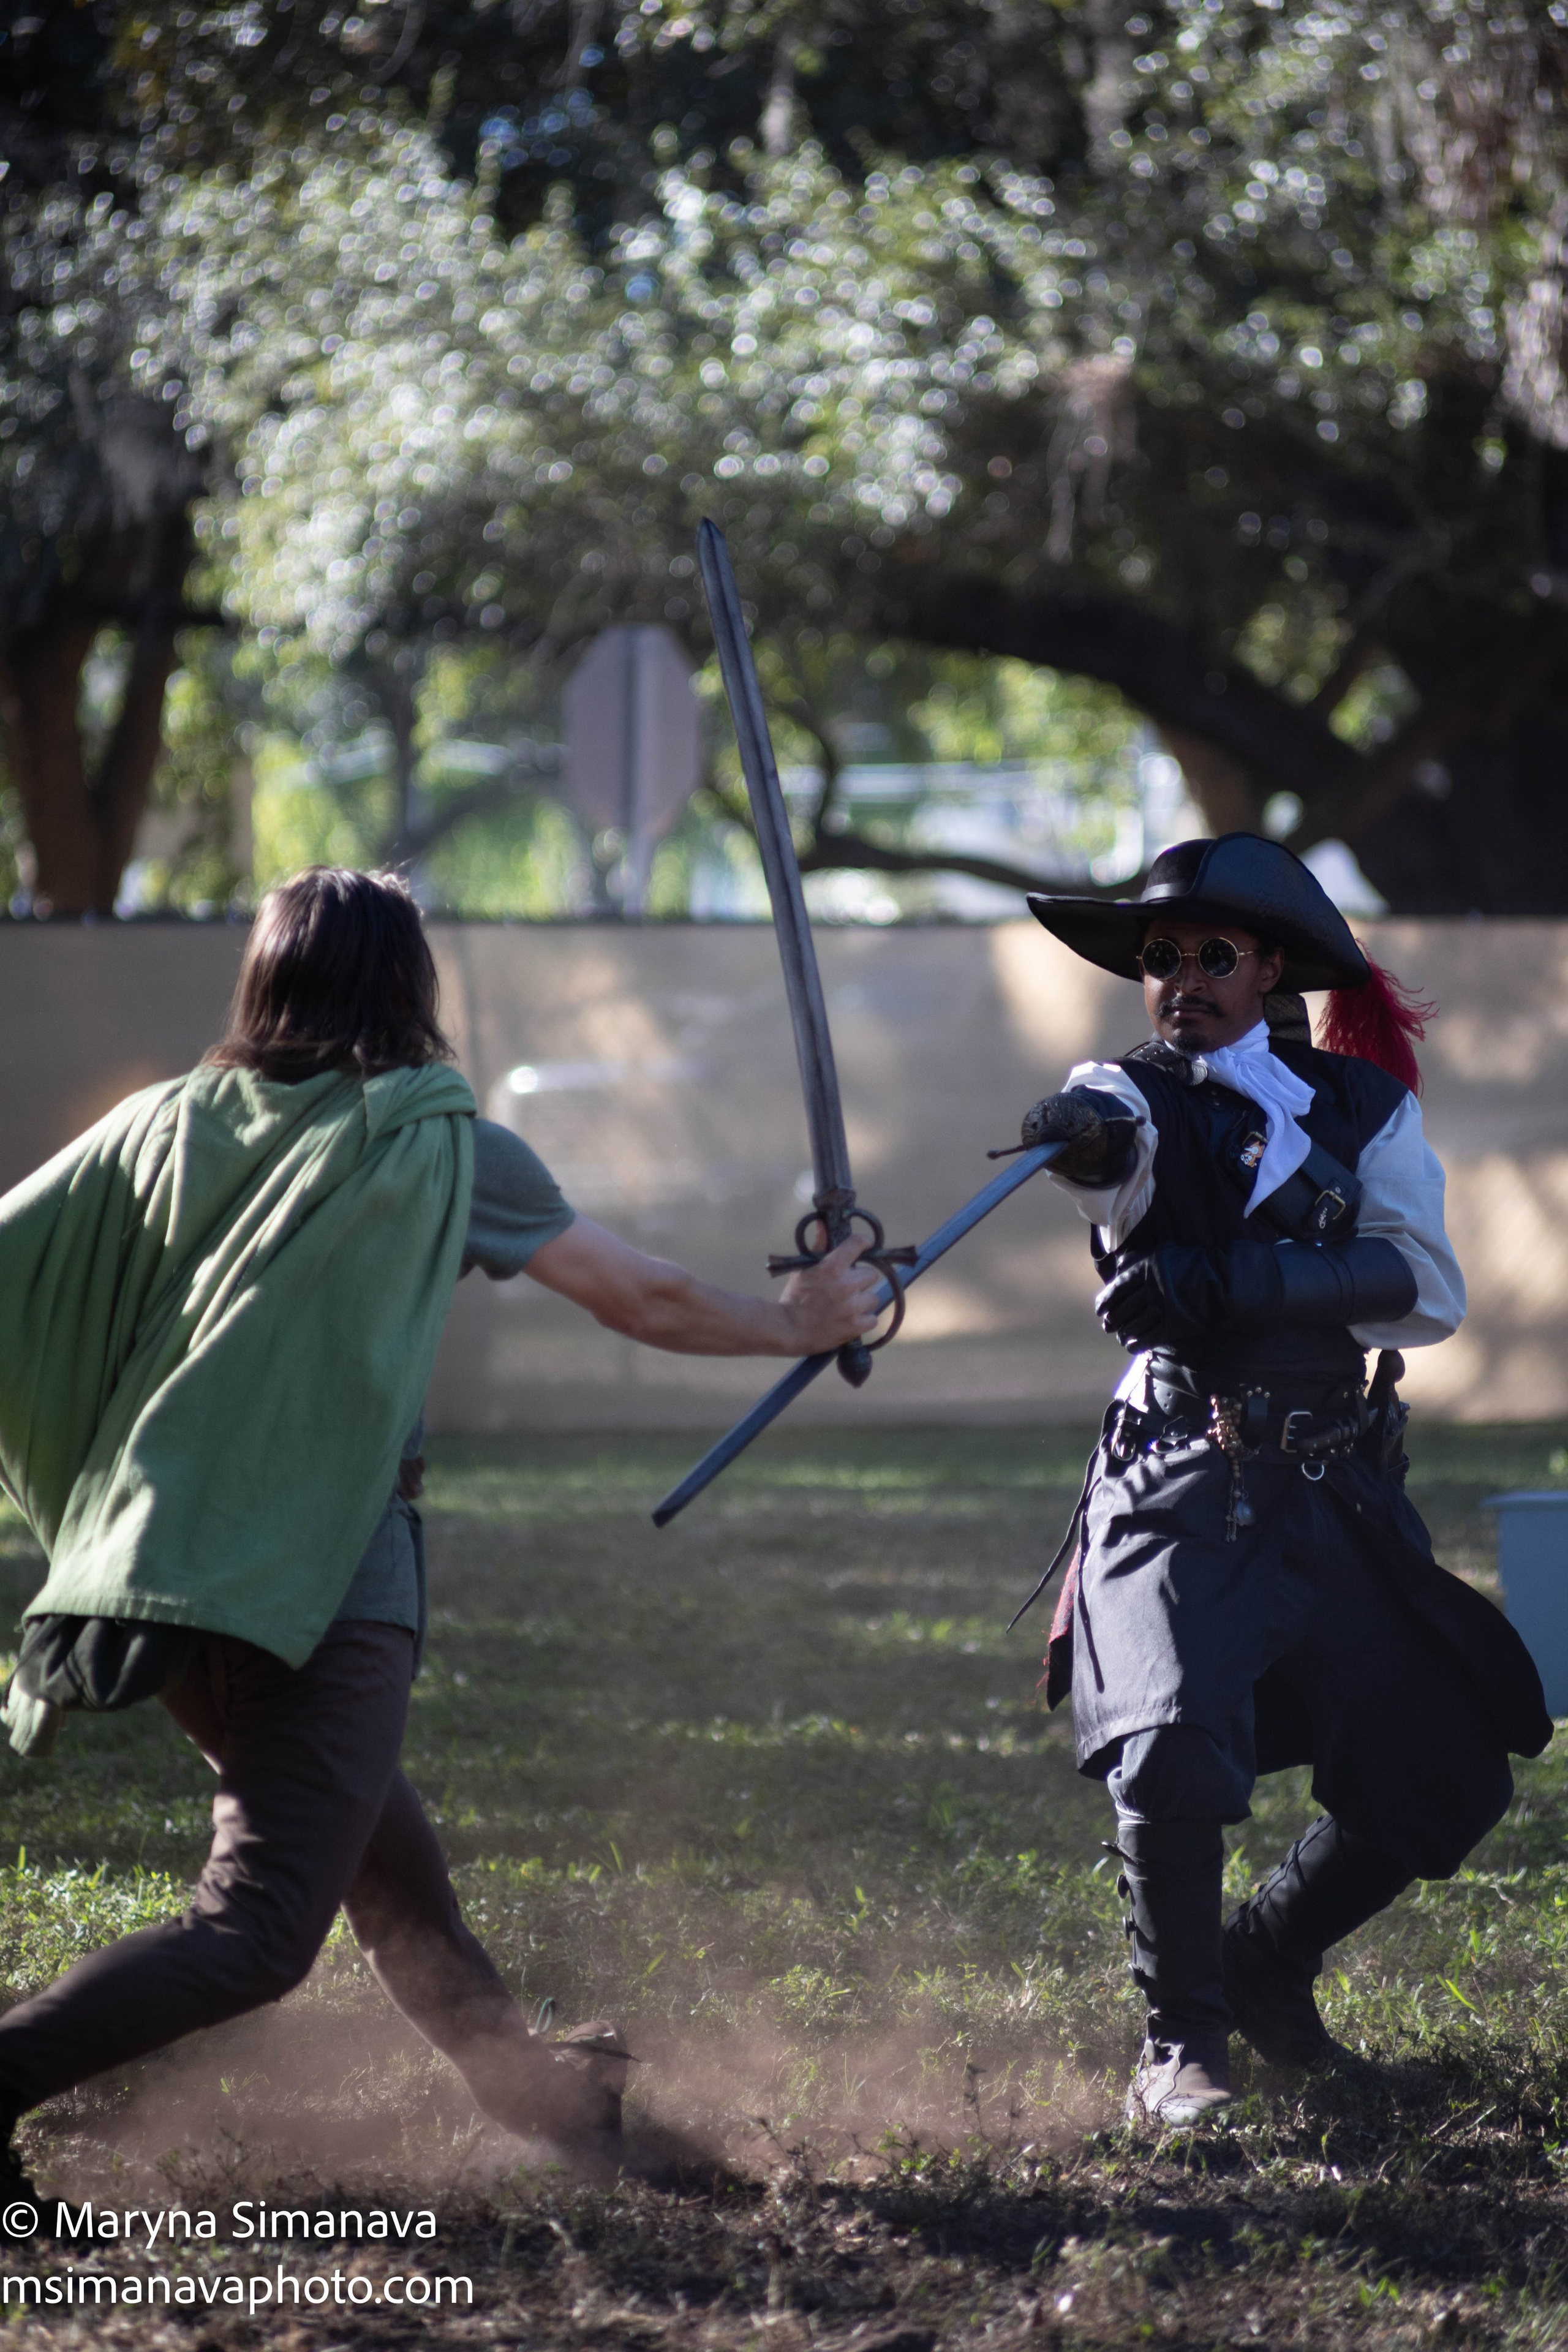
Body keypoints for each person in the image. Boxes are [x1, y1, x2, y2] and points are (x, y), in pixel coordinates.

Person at [0, 866, 881, 2209]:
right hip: (314, 1587)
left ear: (266, 979)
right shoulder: (433, 1138)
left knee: (387, 1870)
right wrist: (796, 1322)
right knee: (254, 1933)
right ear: (413, 988)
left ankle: (550, 2105)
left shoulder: (163, 1124)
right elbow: (636, 1293)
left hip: (165, 1578)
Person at [1011, 833, 1550, 2128]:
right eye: (1157, 958)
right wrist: (1075, 1140)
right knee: (1171, 1754)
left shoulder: (1362, 1108)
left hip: (1328, 1485)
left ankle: (1263, 1959)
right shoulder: (1124, 1093)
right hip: (1177, 1475)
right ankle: (1179, 2044)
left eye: (1210, 955)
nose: (1180, 978)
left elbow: (1419, 1286)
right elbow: (1108, 1145)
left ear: (1266, 970)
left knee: (1446, 1765)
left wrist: (1244, 1280)